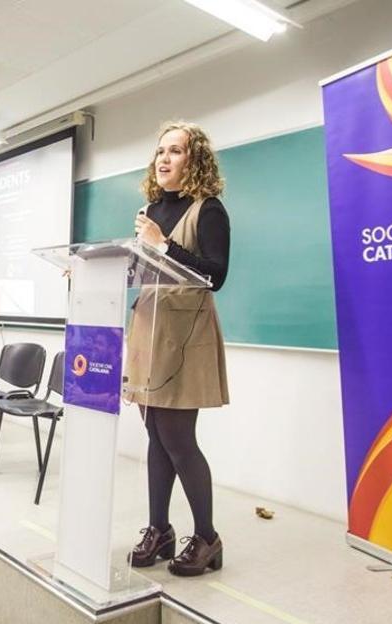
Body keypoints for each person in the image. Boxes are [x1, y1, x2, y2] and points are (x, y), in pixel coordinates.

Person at [125, 120, 230, 577]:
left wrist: (162, 244)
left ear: (195, 159)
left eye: (175, 151)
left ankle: (207, 537)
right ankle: (159, 530)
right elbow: (141, 270)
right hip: (148, 331)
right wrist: (99, 272)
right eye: (160, 151)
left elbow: (214, 275)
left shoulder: (209, 210)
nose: (163, 159)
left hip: (184, 338)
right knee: (155, 436)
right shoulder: (150, 210)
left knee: (179, 440)